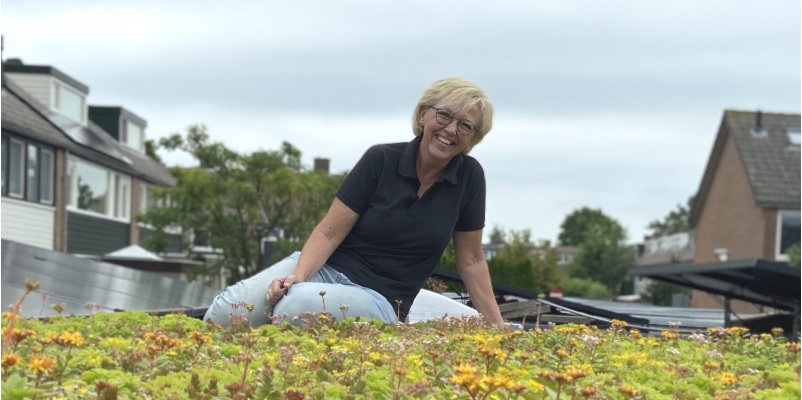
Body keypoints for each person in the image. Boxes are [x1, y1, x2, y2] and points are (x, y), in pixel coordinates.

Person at [203, 77, 505, 328]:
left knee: (297, 306)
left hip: (381, 298)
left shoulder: (470, 178)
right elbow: (329, 232)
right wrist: (296, 277)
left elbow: (472, 260)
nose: (451, 129)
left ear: (472, 138)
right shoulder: (381, 160)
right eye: (444, 115)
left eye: (465, 125)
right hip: (324, 268)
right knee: (226, 314)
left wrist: (497, 328)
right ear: (424, 114)